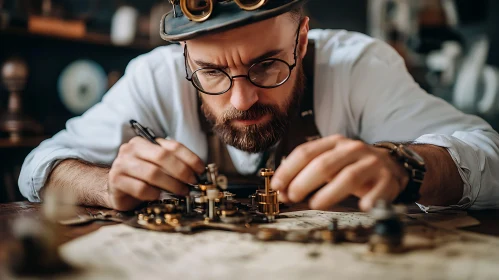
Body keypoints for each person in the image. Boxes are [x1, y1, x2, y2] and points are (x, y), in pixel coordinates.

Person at [19, 0, 499, 212]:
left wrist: (407, 167)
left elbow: (489, 154)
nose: (242, 98)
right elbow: (37, 167)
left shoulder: (359, 66)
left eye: (268, 65)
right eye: (211, 73)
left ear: (302, 39)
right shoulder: (154, 76)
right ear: (185, 57)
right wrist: (105, 185)